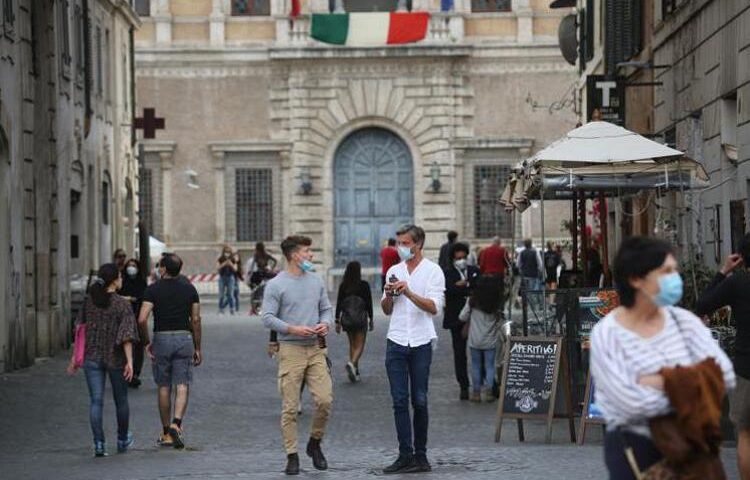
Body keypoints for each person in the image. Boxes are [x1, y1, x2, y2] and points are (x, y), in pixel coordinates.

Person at [590, 237, 735, 479]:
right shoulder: (607, 334)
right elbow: (630, 403)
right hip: (636, 448)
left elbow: (725, 376)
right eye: (665, 271)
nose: (675, 278)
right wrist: (693, 382)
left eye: (674, 270)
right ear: (636, 279)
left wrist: (660, 380)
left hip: (690, 444)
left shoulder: (684, 322)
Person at [262, 235, 334, 476]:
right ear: (294, 255)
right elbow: (267, 317)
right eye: (307, 251)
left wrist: (325, 323)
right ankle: (292, 455)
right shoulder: (276, 284)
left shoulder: (316, 281)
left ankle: (314, 443)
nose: (311, 255)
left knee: (324, 400)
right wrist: (292, 328)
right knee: (290, 407)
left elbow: (326, 308)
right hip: (290, 349)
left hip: (316, 348)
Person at [381, 225, 445, 474]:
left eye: (405, 243)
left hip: (421, 342)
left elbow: (433, 307)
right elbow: (387, 310)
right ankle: (404, 454)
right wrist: (389, 296)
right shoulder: (393, 271)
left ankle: (421, 455)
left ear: (418, 244)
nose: (400, 247)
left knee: (420, 399)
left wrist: (408, 291)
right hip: (395, 340)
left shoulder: (433, 272)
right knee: (399, 400)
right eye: (398, 242)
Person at [67, 263, 137, 457]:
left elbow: (79, 327)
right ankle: (122, 440)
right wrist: (130, 362)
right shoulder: (122, 304)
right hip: (115, 358)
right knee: (121, 400)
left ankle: (99, 444)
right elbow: (127, 336)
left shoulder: (90, 301)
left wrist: (75, 356)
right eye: (120, 276)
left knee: (96, 401)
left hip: (92, 357)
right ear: (114, 280)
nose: (122, 279)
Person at [696, 233, 750, 479]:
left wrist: (723, 271)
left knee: (746, 433)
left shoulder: (737, 283)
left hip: (746, 367)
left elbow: (703, 304)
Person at [137, 253, 202, 450]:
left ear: (163, 269)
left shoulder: (152, 290)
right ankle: (177, 423)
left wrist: (146, 342)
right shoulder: (190, 289)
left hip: (162, 338)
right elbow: (196, 320)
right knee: (182, 383)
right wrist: (198, 346)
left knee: (163, 385)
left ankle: (166, 432)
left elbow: (142, 318)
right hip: (184, 337)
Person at [442, 242, 480, 400]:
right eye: (458, 257)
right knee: (459, 354)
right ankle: (463, 386)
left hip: (476, 318)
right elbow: (448, 290)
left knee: (479, 351)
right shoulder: (447, 273)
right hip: (455, 318)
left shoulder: (474, 271)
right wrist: (463, 288)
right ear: (453, 259)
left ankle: (482, 385)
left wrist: (466, 285)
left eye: (464, 257)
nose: (462, 260)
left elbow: (479, 287)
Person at [459, 275, 504, 403]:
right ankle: (489, 392)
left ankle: (476, 393)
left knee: (476, 366)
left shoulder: (472, 301)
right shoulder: (496, 303)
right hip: (490, 340)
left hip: (475, 339)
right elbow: (500, 321)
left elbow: (462, 317)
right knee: (490, 366)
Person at [335, 261, 374, 383]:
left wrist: (337, 320)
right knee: (360, 344)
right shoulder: (364, 285)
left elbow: (339, 303)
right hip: (360, 319)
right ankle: (352, 364)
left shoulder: (343, 285)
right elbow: (369, 303)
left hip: (347, 319)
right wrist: (371, 318)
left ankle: (355, 371)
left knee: (352, 344)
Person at [120, 258, 147, 388]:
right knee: (124, 344)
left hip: (137, 317)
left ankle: (135, 373)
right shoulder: (122, 281)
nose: (131, 268)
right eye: (129, 265)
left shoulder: (141, 282)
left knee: (138, 347)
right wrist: (129, 299)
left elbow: (144, 299)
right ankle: (125, 372)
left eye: (134, 265)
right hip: (122, 319)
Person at [517, 239, 543, 303]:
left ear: (525, 245)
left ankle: (527, 303)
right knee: (532, 289)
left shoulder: (521, 253)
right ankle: (532, 303)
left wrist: (521, 269)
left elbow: (518, 264)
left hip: (525, 274)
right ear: (531, 244)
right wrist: (540, 271)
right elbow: (540, 264)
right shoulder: (535, 252)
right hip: (533, 274)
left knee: (526, 289)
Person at [217, 245, 237, 315]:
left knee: (230, 294)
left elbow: (235, 269)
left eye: (228, 252)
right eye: (226, 251)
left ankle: (232, 309)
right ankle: (220, 309)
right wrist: (224, 263)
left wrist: (230, 264)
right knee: (221, 295)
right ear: (223, 252)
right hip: (222, 277)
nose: (227, 253)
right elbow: (217, 268)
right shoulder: (220, 258)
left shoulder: (233, 259)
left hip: (230, 277)